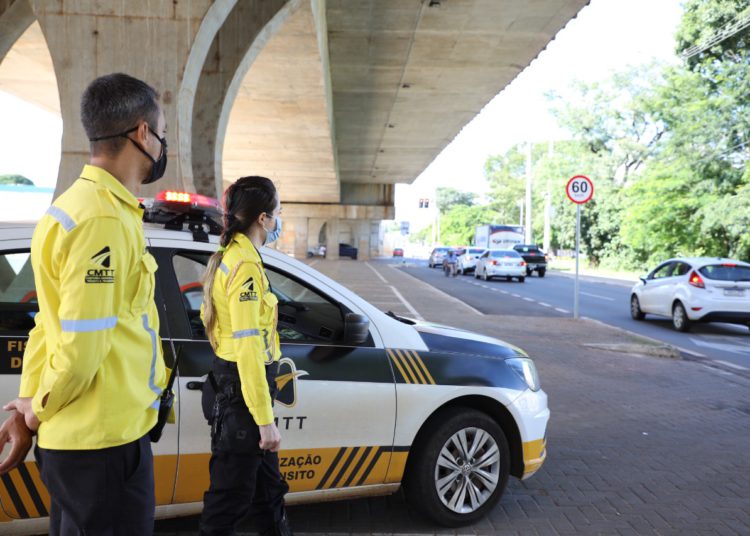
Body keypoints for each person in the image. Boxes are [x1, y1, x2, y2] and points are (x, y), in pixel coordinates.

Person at [2, 72, 168, 535]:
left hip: (85, 442)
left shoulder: (69, 209)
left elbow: (45, 327)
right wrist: (32, 413)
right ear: (142, 133)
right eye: (162, 133)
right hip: (104, 444)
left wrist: (29, 406)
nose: (162, 145)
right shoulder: (102, 222)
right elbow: (81, 351)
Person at [199, 176, 292, 536]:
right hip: (244, 400)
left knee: (269, 495)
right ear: (263, 219)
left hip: (238, 394)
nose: (279, 221)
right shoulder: (245, 267)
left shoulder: (234, 256)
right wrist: (264, 420)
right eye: (278, 213)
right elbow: (249, 350)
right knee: (228, 504)